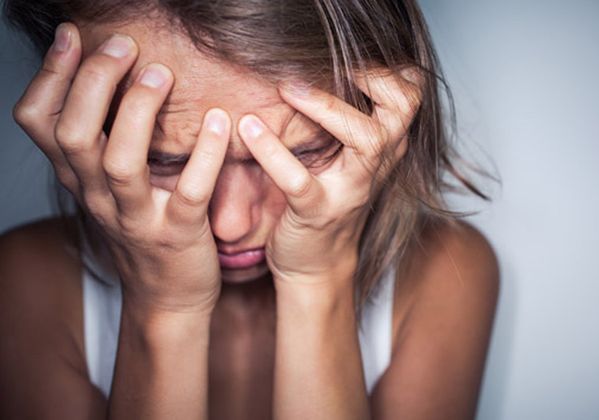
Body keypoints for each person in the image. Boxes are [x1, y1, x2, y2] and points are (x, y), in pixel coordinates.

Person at [0, 1, 499, 418]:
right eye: (165, 160)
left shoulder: (444, 270)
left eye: (303, 153)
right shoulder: (25, 282)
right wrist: (165, 308)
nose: (229, 223)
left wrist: (318, 279)